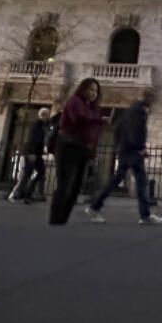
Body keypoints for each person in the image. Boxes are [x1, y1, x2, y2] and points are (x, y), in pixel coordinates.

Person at [86, 88, 162, 225]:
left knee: (116, 180)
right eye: (152, 99)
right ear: (148, 98)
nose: (152, 102)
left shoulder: (130, 110)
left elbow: (119, 129)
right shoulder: (138, 111)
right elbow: (135, 131)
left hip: (125, 150)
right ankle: (144, 215)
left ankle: (94, 206)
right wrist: (140, 148)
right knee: (140, 182)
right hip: (132, 152)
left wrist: (119, 146)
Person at [48, 78, 105, 226]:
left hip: (83, 149)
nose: (93, 93)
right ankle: (55, 219)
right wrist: (99, 121)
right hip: (68, 146)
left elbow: (94, 134)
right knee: (65, 184)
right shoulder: (74, 102)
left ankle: (63, 219)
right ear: (83, 89)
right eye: (90, 89)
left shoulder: (92, 108)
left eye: (96, 91)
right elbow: (78, 120)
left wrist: (93, 153)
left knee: (76, 186)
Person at [10, 107, 50, 204]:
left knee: (38, 174)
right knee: (29, 174)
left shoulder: (42, 125)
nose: (48, 117)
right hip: (32, 153)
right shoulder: (36, 125)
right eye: (48, 115)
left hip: (36, 153)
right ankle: (19, 195)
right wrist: (32, 152)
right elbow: (33, 139)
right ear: (44, 115)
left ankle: (24, 194)